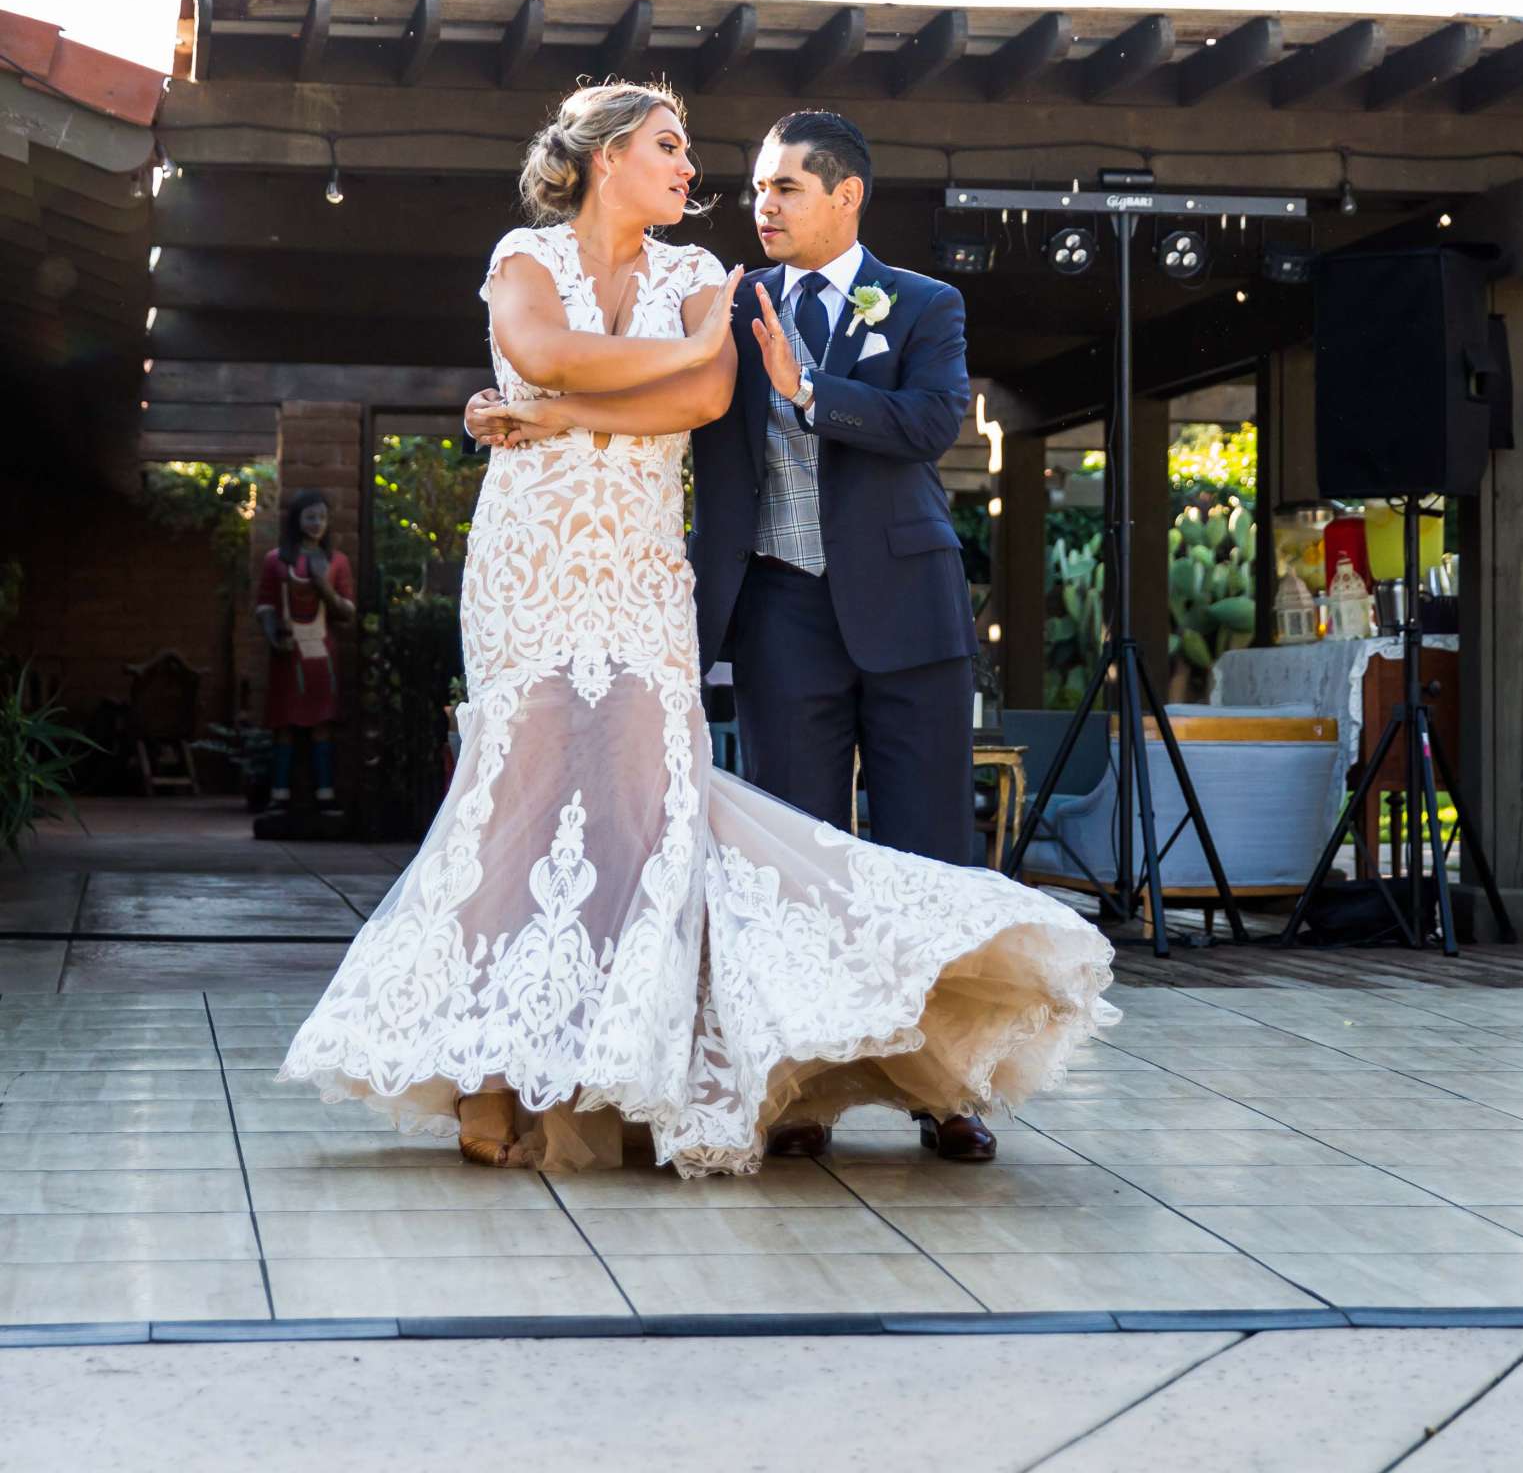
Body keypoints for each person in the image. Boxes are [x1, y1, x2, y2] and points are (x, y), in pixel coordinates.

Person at [278, 81, 1116, 1176]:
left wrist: (781, 390)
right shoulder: (687, 282)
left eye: (779, 186)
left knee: (850, 837)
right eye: (724, 172)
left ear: (845, 195)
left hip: (850, 608)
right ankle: (738, 1084)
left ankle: (941, 1092)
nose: (741, 197)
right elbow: (576, 359)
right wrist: (524, 398)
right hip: (692, 597)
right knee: (616, 819)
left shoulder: (866, 299)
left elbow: (834, 417)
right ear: (608, 154)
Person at [252, 490, 356, 816]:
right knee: (284, 724)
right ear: (297, 519)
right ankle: (279, 794)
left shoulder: (337, 562)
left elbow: (348, 610)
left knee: (322, 722)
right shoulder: (276, 560)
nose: (316, 524)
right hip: (288, 651)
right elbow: (265, 605)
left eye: (322, 518)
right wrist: (273, 634)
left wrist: (323, 586)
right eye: (310, 517)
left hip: (322, 652)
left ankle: (325, 794)